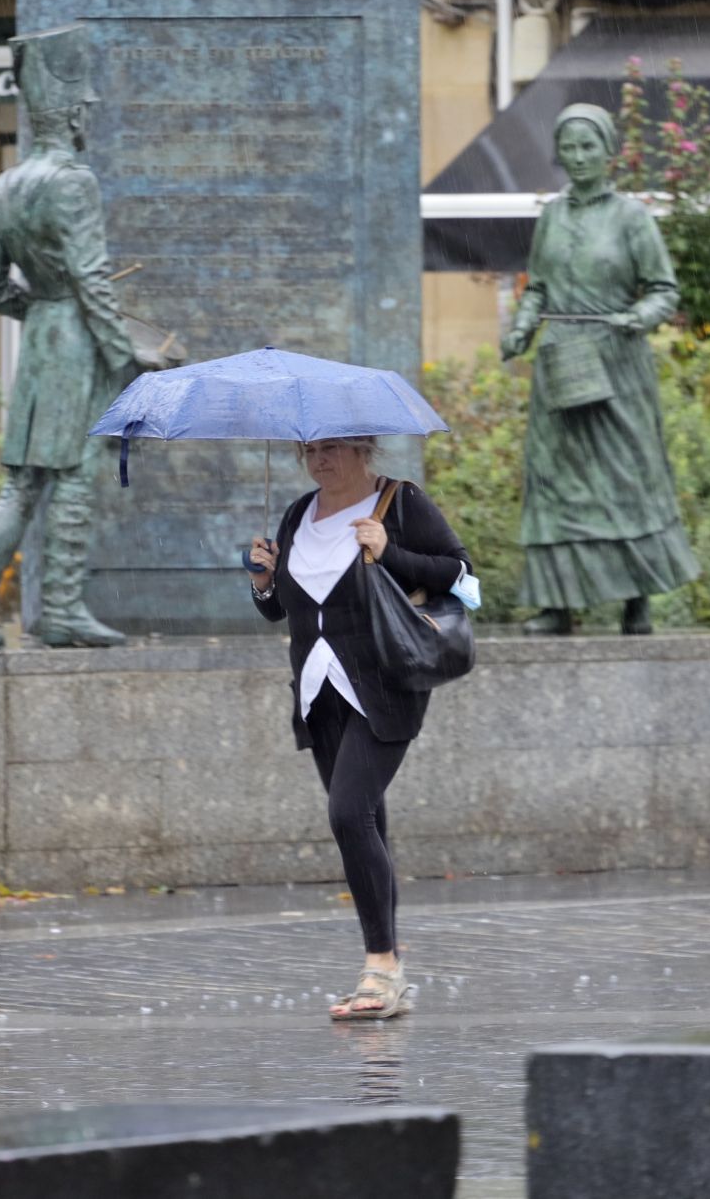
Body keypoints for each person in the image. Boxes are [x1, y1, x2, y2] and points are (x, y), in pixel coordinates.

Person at [248, 437, 471, 1020]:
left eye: (331, 449)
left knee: (348, 813)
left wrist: (389, 550)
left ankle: (381, 965)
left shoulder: (400, 504)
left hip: (385, 684)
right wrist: (263, 580)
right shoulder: (299, 512)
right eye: (309, 451)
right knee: (366, 820)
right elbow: (282, 611)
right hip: (319, 690)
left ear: (362, 450)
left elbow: (462, 578)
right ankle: (389, 969)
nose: (319, 461)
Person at [0, 25, 135, 649]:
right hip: (77, 342)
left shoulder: (5, 185)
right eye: (86, 110)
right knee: (76, 474)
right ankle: (59, 609)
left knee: (22, 483)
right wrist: (126, 354)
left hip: (40, 339)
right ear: (75, 113)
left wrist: (33, 307)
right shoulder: (73, 182)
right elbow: (91, 278)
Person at [501, 103, 700, 636]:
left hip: (618, 365)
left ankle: (637, 600)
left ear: (610, 154)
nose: (579, 157)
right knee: (556, 483)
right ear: (559, 156)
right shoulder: (552, 217)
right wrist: (521, 328)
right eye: (569, 147)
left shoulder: (632, 218)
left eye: (589, 146)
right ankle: (557, 604)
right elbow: (537, 288)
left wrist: (637, 317)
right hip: (561, 362)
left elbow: (664, 291)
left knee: (625, 480)